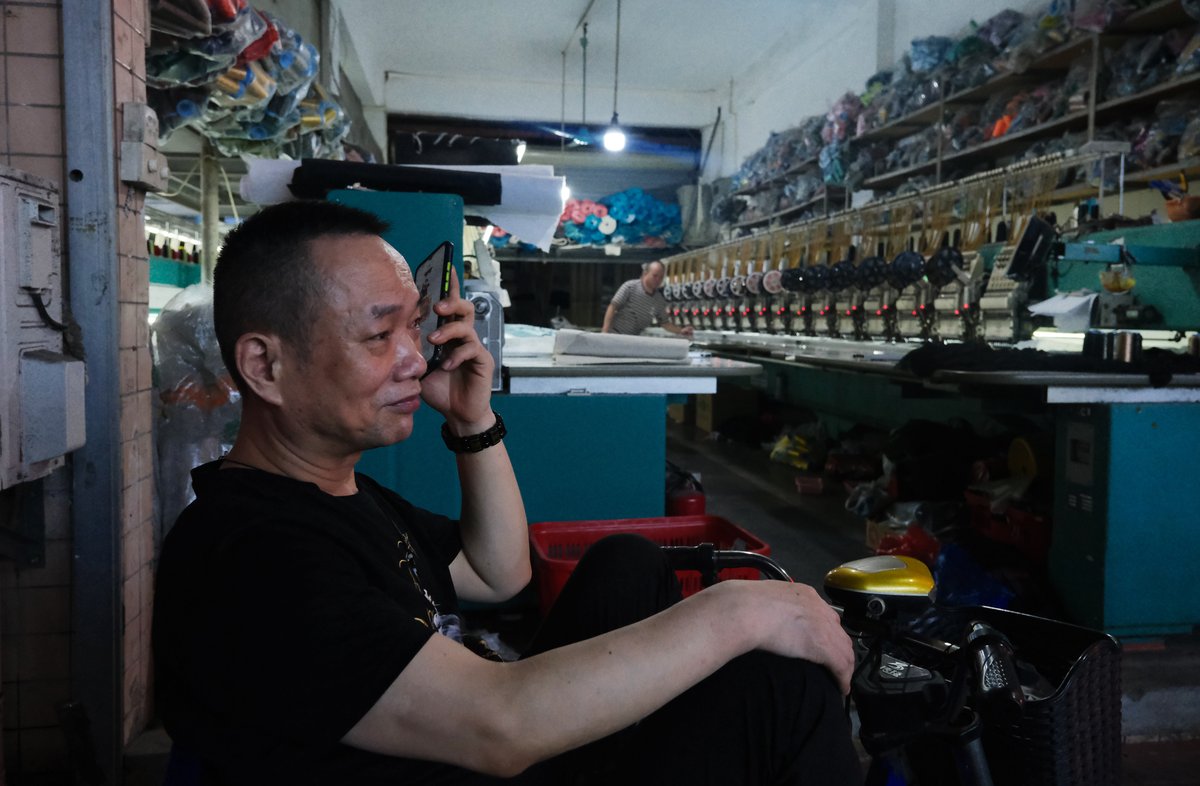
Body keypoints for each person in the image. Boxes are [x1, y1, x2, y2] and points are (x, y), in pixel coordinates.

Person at [152, 200, 860, 785]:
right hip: (484, 743)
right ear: (264, 366)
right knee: (781, 696)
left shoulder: (339, 495)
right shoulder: (254, 557)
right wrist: (735, 614)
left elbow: (500, 573)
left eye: (413, 326)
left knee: (626, 562)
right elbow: (502, 726)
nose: (414, 356)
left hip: (480, 740)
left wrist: (472, 419)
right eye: (378, 336)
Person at [602, 259, 694, 337]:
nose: (658, 280)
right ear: (646, 274)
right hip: (614, 333)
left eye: (661, 277)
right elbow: (612, 307)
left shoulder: (658, 300)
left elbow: (665, 323)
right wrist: (605, 332)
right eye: (655, 276)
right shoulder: (630, 287)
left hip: (633, 338)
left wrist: (681, 331)